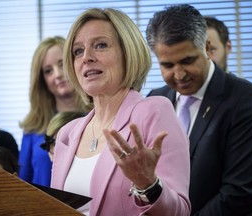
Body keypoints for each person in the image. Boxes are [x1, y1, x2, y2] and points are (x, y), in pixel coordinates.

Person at [51, 8, 191, 216]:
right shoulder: (67, 134)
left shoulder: (153, 112)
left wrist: (148, 184)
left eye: (100, 45)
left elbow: (180, 212)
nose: (86, 57)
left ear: (128, 52)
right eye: (78, 51)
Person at [146, 4, 252, 215]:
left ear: (206, 47)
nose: (179, 74)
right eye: (167, 65)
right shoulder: (155, 100)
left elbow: (239, 193)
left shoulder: (248, 100)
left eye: (187, 61)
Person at [205, 16, 252, 200]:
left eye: (212, 50)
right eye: (199, 52)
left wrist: (228, 200)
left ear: (228, 47)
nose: (205, 59)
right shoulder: (172, 100)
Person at [19, 36, 88, 187]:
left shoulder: (99, 117)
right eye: (48, 71)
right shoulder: (33, 128)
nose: (57, 74)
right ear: (42, 81)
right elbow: (22, 183)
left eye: (62, 64)